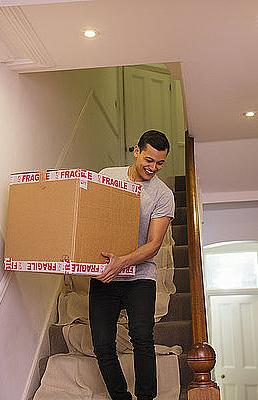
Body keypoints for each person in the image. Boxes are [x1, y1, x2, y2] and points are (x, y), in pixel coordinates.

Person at [89, 130, 175, 400]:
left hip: (140, 276)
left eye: (160, 163)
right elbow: (92, 219)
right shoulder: (108, 176)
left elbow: (153, 244)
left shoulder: (163, 194)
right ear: (136, 151)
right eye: (149, 160)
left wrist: (122, 262)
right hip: (105, 274)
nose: (153, 168)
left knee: (142, 339)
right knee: (102, 345)